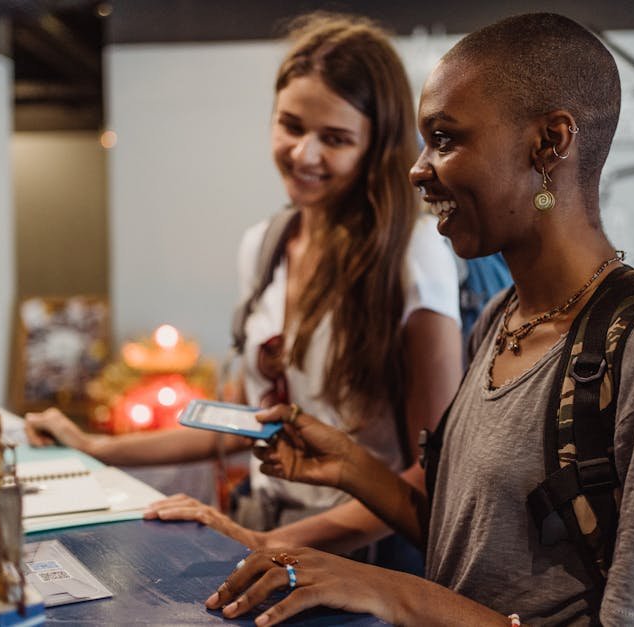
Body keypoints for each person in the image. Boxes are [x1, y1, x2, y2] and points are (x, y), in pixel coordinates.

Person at [202, 13, 634, 626]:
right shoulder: (502, 317)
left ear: (550, 143)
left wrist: (391, 590)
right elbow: (475, 549)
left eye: (444, 139)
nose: (418, 169)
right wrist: (355, 469)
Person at [25, 13, 463, 542]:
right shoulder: (266, 244)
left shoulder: (412, 254)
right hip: (265, 522)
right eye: (291, 126)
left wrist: (271, 545)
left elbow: (433, 472)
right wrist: (96, 447)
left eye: (335, 138)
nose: (304, 154)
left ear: (377, 146)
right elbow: (244, 419)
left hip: (365, 552)